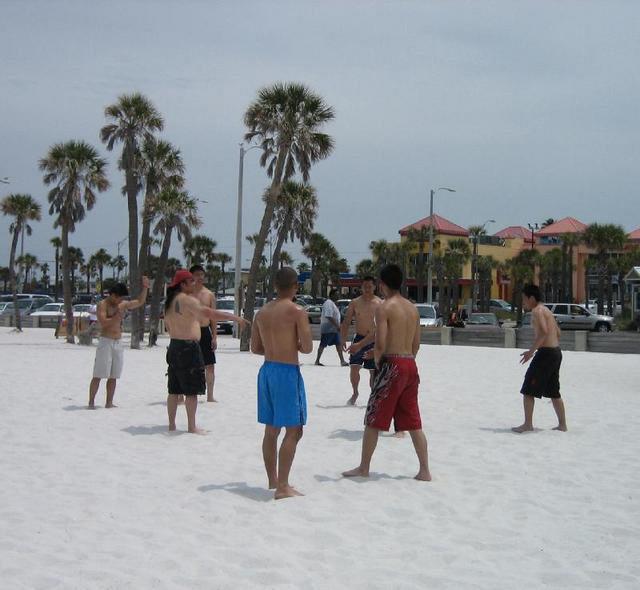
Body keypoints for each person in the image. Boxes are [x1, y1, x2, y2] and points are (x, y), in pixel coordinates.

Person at [343, 264, 431, 481]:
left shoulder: (384, 307)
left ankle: (364, 467)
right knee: (413, 421)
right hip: (410, 364)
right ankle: (424, 470)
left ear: (382, 284)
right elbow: (416, 344)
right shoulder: (413, 308)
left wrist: (377, 359)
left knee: (373, 418)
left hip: (392, 365)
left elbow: (381, 342)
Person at [251, 267, 313, 499]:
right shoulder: (297, 311)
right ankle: (283, 486)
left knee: (271, 428)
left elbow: (255, 348)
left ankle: (273, 479)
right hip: (287, 372)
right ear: (295, 286)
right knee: (294, 430)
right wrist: (294, 345)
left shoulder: (262, 312)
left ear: (275, 286)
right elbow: (307, 348)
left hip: (267, 371)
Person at [164, 269, 248, 434]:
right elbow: (209, 313)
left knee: (173, 389)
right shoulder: (186, 300)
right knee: (191, 391)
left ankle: (172, 424)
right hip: (188, 347)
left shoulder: (169, 301)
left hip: (174, 345)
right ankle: (191, 426)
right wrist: (235, 318)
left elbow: (168, 326)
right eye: (191, 281)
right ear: (183, 284)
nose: (194, 283)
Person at [512, 284, 568, 433]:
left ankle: (527, 424)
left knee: (528, 390)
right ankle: (562, 425)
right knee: (554, 391)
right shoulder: (547, 310)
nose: (523, 302)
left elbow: (543, 332)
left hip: (546, 354)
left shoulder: (537, 311)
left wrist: (531, 352)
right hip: (556, 352)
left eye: (524, 299)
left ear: (531, 298)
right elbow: (557, 332)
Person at [88, 278, 149, 409]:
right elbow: (103, 322)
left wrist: (145, 288)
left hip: (118, 341)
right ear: (113, 295)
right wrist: (117, 317)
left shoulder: (121, 305)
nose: (121, 301)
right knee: (98, 373)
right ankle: (91, 402)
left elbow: (139, 302)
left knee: (114, 374)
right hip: (106, 340)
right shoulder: (102, 304)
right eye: (119, 298)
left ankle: (109, 402)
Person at [340, 276, 382, 405]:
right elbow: (346, 321)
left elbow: (383, 326)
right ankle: (355, 392)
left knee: (372, 371)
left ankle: (373, 395)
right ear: (361, 287)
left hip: (374, 340)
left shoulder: (380, 303)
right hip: (358, 337)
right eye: (365, 286)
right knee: (354, 367)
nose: (367, 289)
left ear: (374, 287)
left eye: (370, 286)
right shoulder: (355, 302)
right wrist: (343, 338)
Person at [190, 264, 218, 402]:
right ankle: (186, 393)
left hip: (205, 331)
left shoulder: (209, 294)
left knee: (210, 365)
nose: (199, 277)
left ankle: (210, 396)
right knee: (189, 364)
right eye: (196, 274)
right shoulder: (186, 294)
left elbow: (213, 317)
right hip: (190, 331)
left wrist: (214, 337)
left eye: (201, 275)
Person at [314, 289, 348, 367]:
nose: (338, 296)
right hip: (328, 328)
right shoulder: (328, 303)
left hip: (334, 329)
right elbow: (328, 316)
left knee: (338, 344)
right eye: (336, 294)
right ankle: (317, 360)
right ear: (332, 295)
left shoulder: (332, 303)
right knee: (323, 344)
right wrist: (337, 325)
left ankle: (342, 361)